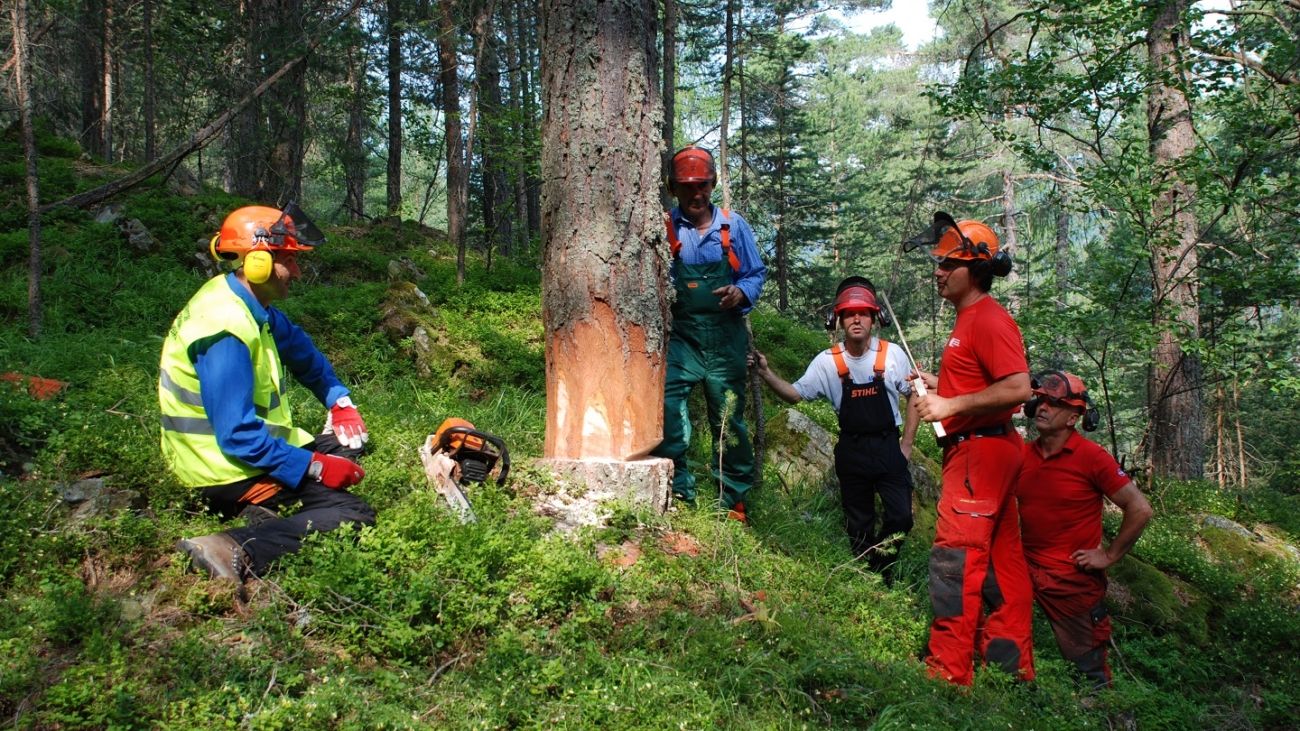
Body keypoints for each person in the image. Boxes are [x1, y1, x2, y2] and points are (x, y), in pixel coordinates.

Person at [159, 204, 376, 583]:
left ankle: (269, 510)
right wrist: (317, 467)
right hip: (221, 472)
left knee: (350, 443)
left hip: (240, 454)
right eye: (289, 260)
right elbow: (238, 437)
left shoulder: (249, 302)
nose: (297, 272)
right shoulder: (225, 330)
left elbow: (303, 354)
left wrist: (339, 403)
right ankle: (230, 547)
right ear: (258, 261)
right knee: (352, 512)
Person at [909, 212, 1036, 686]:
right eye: (938, 264)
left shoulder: (987, 319)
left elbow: (1020, 388)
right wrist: (941, 388)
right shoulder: (971, 319)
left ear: (976, 270)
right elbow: (984, 387)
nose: (938, 272)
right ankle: (1009, 669)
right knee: (1003, 566)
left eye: (948, 265)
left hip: (978, 459)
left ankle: (947, 673)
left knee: (955, 560)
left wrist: (949, 404)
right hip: (989, 448)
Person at [752, 277, 919, 579]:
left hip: (888, 447)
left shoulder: (892, 354)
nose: (857, 319)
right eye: (849, 314)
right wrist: (766, 373)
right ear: (838, 320)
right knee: (858, 523)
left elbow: (916, 396)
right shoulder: (827, 362)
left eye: (863, 313)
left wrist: (905, 446)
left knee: (901, 516)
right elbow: (794, 393)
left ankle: (882, 567)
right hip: (852, 450)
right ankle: (869, 579)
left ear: (875, 318)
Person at [652, 146, 767, 522]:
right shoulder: (664, 227)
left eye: (702, 185)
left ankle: (731, 498)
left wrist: (741, 292)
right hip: (682, 338)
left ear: (713, 184)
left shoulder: (733, 226)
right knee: (668, 407)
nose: (696, 194)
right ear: (673, 189)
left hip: (725, 337)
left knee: (728, 417)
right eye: (687, 188)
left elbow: (755, 273)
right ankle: (677, 487)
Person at [1017, 370, 1153, 689]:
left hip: (1071, 579)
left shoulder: (1092, 458)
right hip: (1024, 568)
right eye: (1040, 401)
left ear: (1074, 417)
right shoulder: (1023, 454)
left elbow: (1140, 509)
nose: (1043, 408)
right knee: (1001, 637)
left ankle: (1100, 711)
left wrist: (1109, 555)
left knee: (1088, 672)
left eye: (1054, 404)